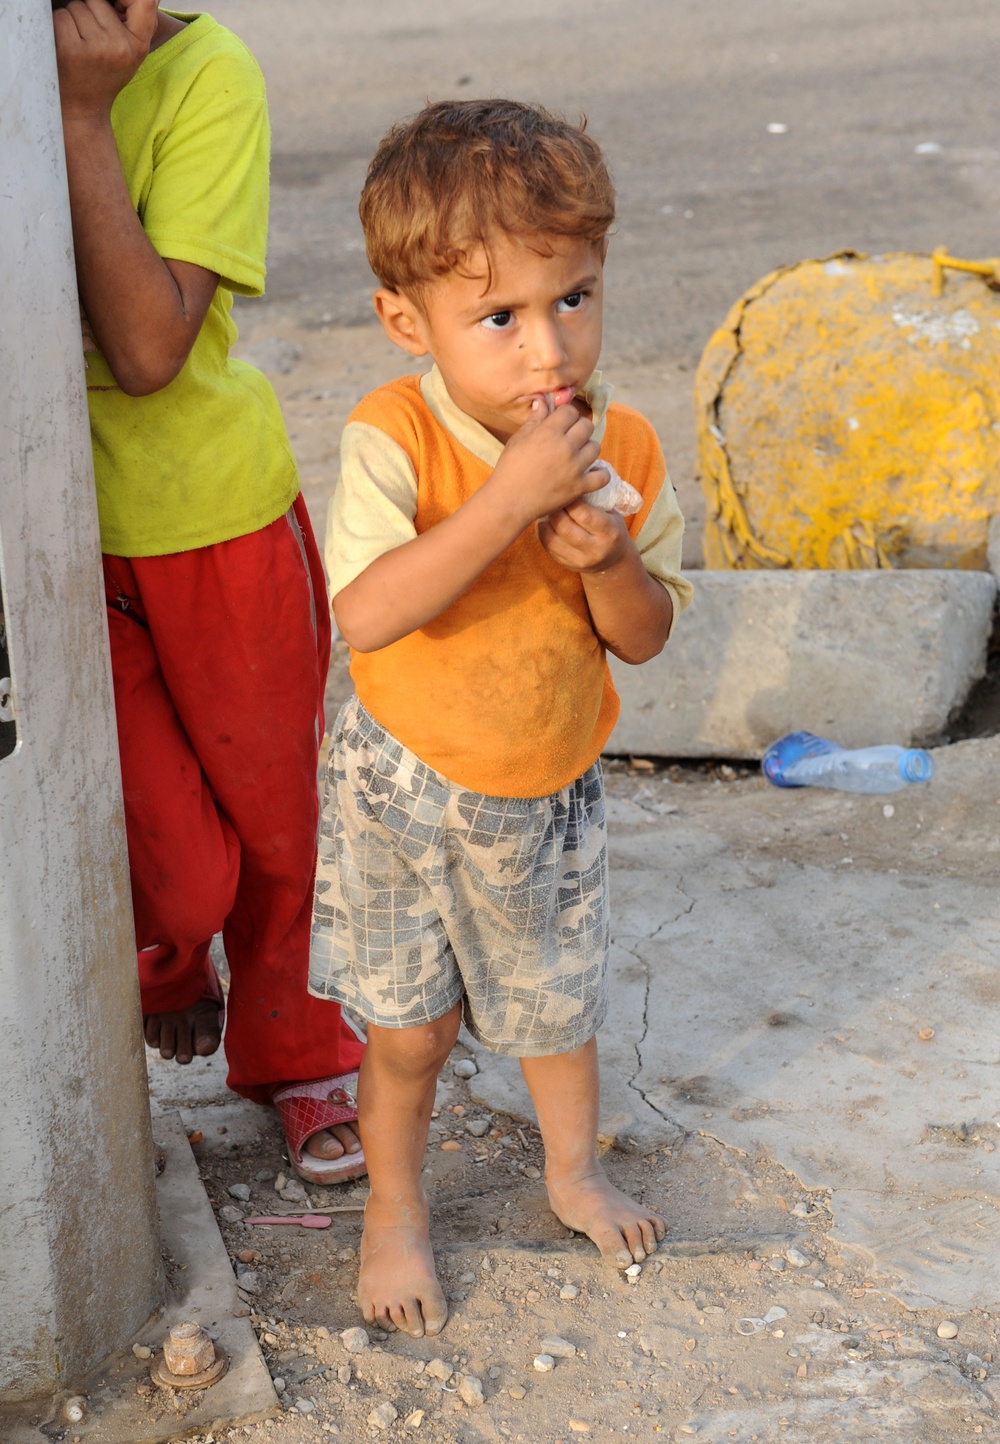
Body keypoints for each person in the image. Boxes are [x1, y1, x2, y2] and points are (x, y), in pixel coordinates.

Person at [308, 98, 694, 1336]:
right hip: (404, 784)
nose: (548, 352)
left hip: (542, 786)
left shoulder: (621, 442)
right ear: (405, 320)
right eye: (500, 318)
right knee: (412, 1033)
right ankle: (395, 1208)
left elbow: (645, 634)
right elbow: (367, 614)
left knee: (550, 1012)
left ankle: (571, 1170)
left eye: (573, 299)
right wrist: (506, 501)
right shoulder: (396, 433)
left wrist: (603, 559)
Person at [52, 0, 365, 1182]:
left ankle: (290, 1051)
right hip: (59, 541)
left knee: (275, 826)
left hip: (215, 521)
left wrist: (84, 116)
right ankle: (174, 962)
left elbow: (145, 354)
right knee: (171, 857)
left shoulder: (204, 71)